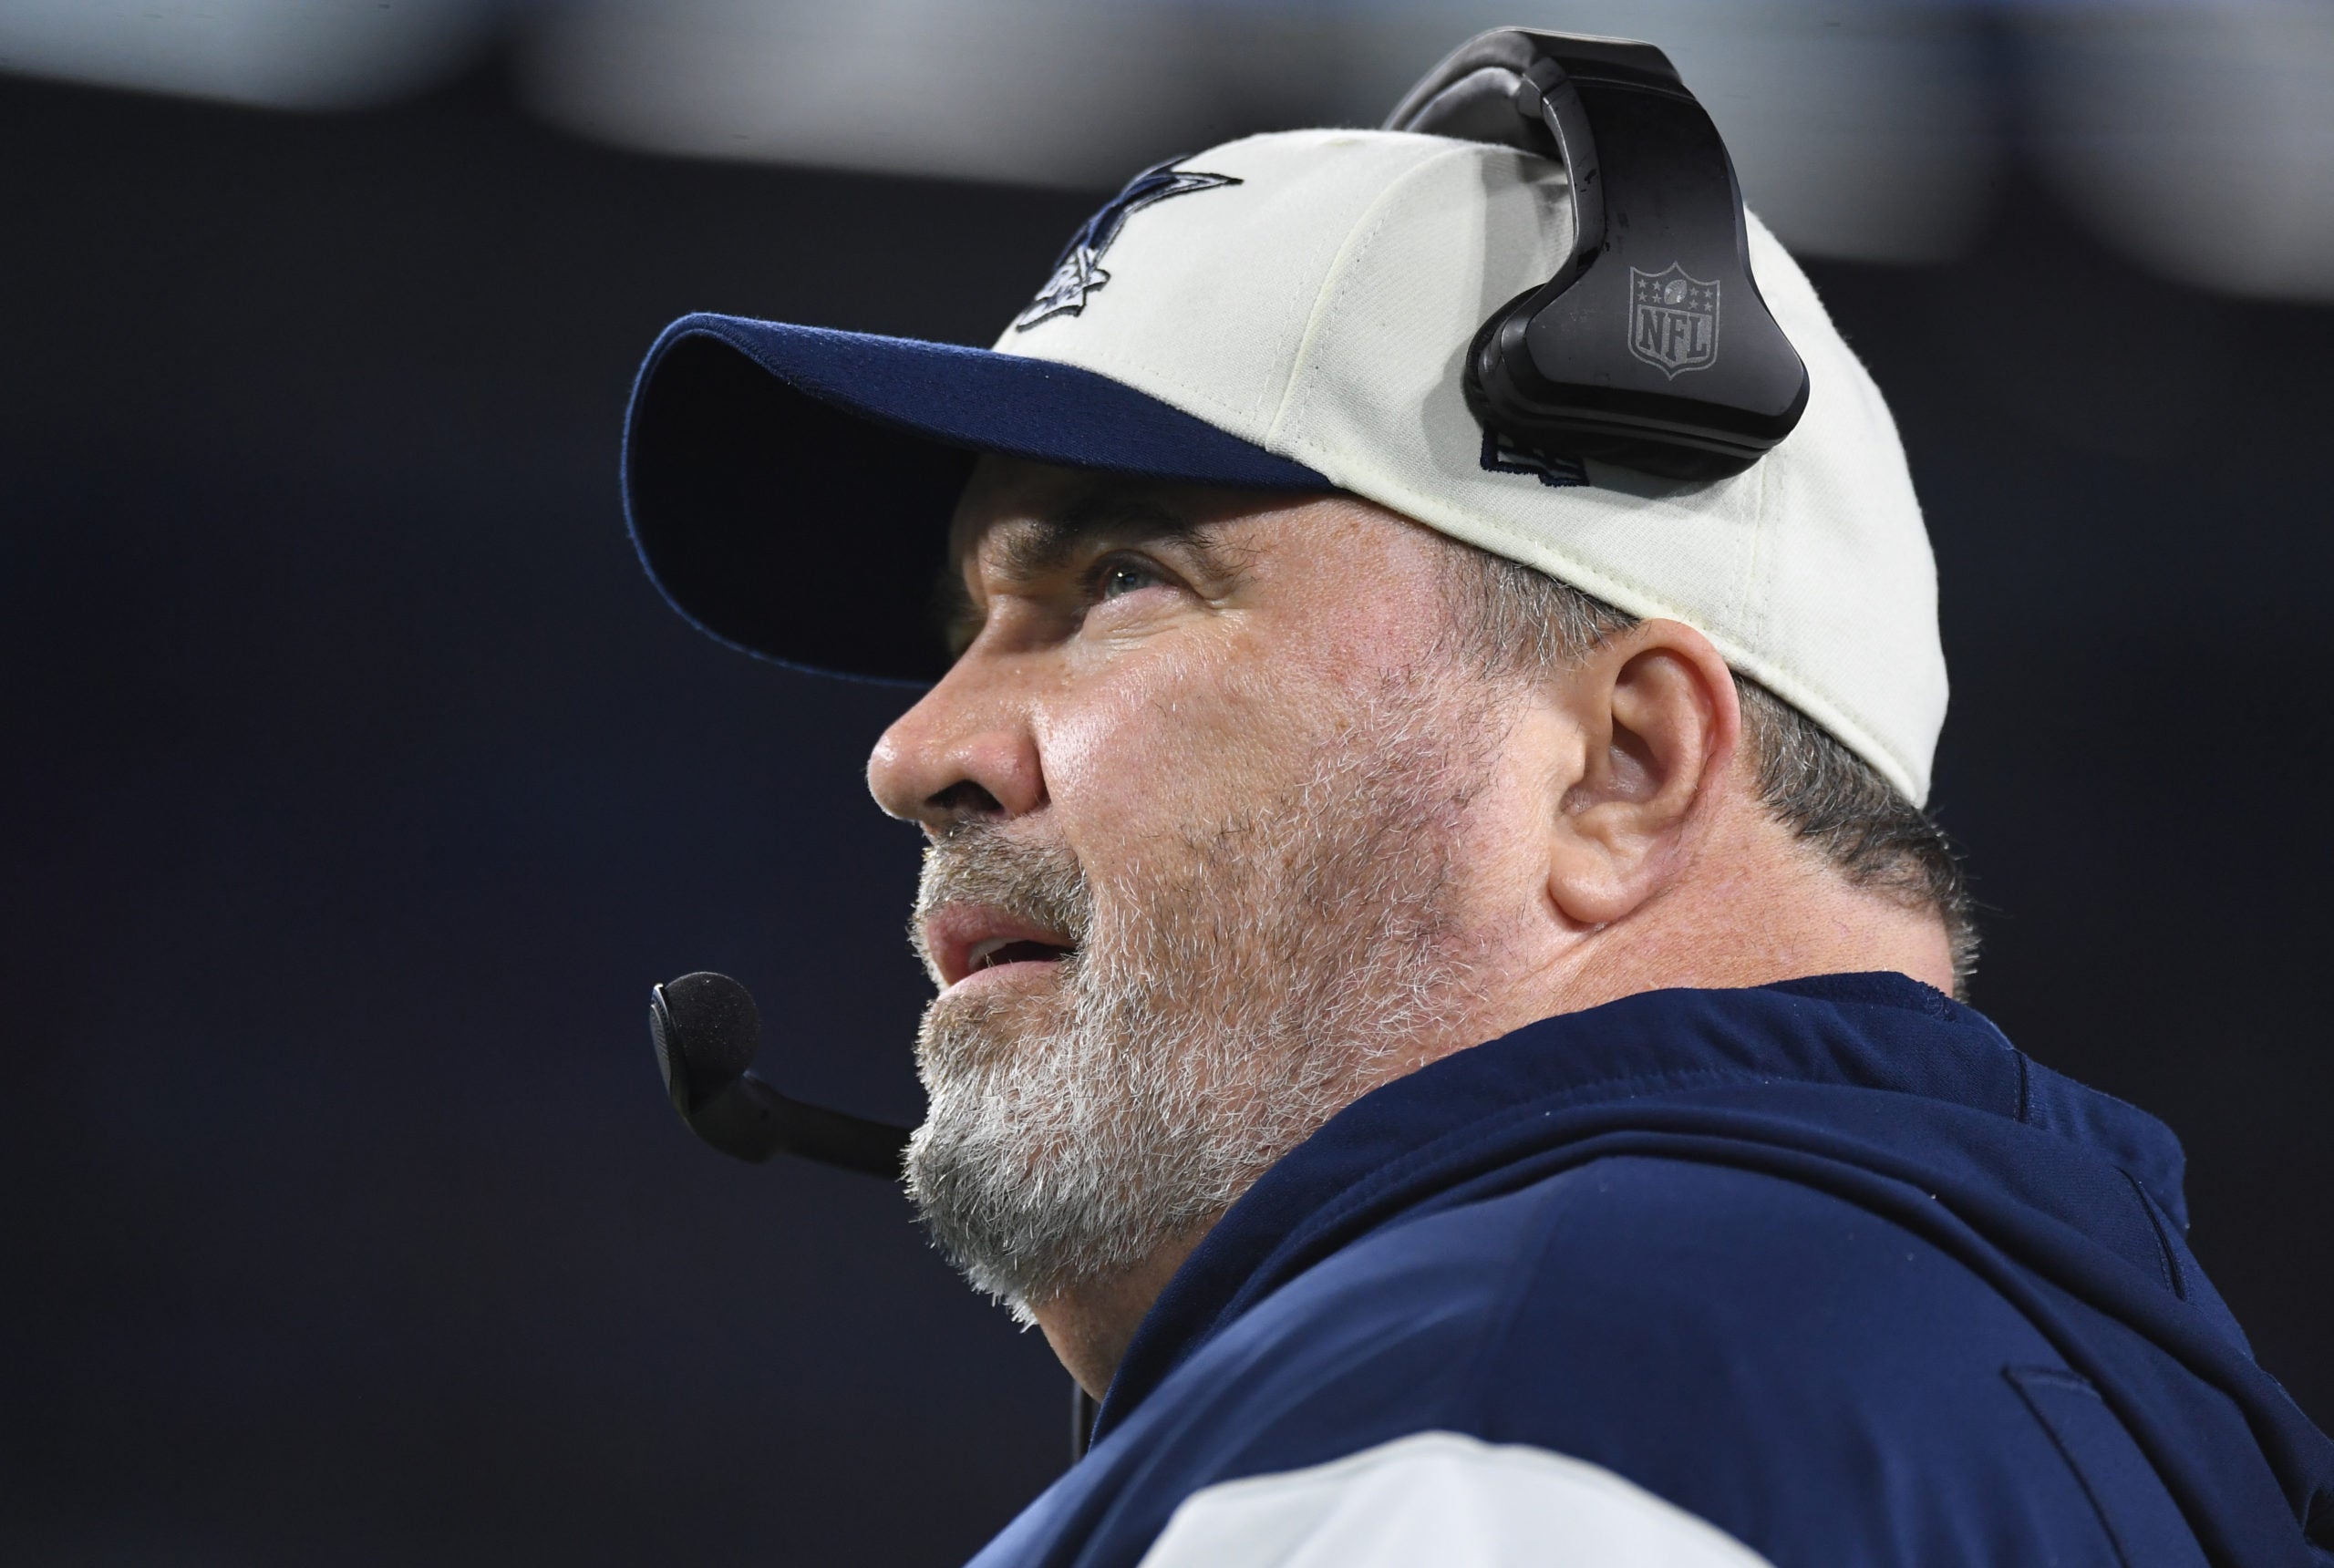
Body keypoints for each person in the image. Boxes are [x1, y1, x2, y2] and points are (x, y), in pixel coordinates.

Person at [618, 34, 2332, 1568]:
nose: (917, 750)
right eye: (964, 626)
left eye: (1122, 579)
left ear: (1623, 768)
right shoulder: (2049, 1411)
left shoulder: (1500, 1407)